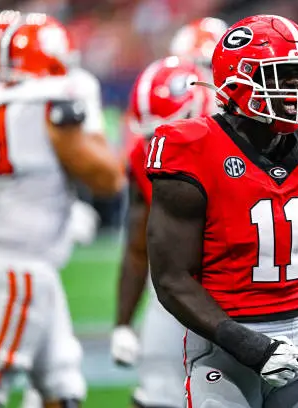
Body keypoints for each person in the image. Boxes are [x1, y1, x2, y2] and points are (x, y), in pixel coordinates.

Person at [146, 14, 298, 408]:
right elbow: (171, 278)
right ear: (237, 80)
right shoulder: (193, 149)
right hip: (226, 336)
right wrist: (249, 346)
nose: (297, 88)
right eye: (283, 76)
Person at [0, 10, 125, 408]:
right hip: (17, 267)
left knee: (62, 385)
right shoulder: (45, 110)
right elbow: (108, 179)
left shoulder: (6, 107)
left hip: (26, 265)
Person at [110, 56, 210, 408]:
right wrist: (122, 322)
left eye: (165, 130)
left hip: (238, 295)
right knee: (157, 397)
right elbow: (138, 243)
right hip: (172, 291)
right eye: (152, 132)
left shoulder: (241, 146)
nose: (159, 141)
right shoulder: (144, 154)